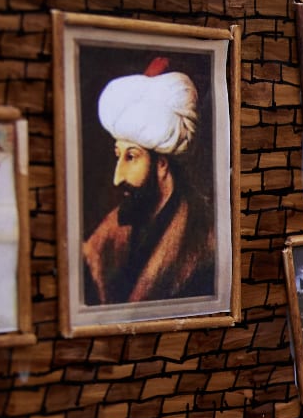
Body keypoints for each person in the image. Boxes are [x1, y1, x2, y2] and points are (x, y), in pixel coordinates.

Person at [83, 57, 216, 307]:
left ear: (162, 164)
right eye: (118, 156)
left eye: (131, 157)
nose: (117, 177)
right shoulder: (105, 239)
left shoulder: (206, 244)